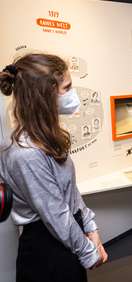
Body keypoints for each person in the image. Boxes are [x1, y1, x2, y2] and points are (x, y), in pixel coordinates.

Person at [0, 53, 107, 281]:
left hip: (67, 235)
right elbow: (55, 215)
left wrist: (91, 228)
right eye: (66, 88)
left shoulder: (45, 135)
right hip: (46, 248)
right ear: (44, 96)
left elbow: (69, 190)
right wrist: (89, 252)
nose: (73, 94)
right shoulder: (24, 152)